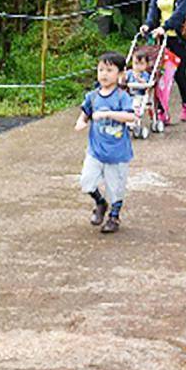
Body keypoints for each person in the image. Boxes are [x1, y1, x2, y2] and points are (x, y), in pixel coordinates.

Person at [76, 52, 138, 234]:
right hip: (95, 151)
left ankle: (114, 217)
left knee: (115, 188)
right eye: (101, 69)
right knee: (86, 181)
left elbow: (131, 116)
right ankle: (100, 203)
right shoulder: (93, 96)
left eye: (109, 70)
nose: (104, 74)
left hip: (117, 153)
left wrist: (108, 114)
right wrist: (81, 121)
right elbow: (85, 112)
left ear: (120, 74)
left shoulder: (122, 97)